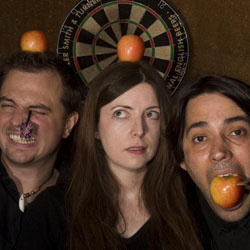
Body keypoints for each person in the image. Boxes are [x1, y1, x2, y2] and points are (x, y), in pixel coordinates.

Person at [68, 61, 203, 250]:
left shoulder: (191, 203)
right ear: (95, 127)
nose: (139, 130)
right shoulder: (55, 210)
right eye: (121, 113)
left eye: (151, 115)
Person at [0, 51, 84, 250]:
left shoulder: (86, 206)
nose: (19, 121)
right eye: (8, 106)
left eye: (37, 110)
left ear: (68, 125)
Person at [168, 74, 250, 250]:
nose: (219, 152)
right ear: (183, 159)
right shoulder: (166, 235)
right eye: (200, 138)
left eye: (236, 132)